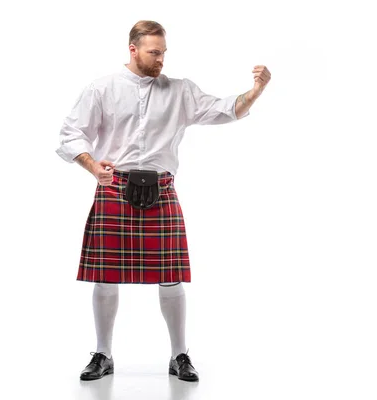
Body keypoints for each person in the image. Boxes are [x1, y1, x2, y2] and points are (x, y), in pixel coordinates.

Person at [55, 20, 271, 382]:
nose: (161, 59)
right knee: (106, 278)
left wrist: (257, 90)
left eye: (164, 52)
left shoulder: (180, 90)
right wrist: (93, 167)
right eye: (154, 52)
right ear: (133, 49)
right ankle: (103, 354)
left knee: (171, 277)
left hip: (162, 188)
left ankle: (179, 355)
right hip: (114, 188)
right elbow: (69, 135)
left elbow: (224, 109)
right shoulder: (102, 89)